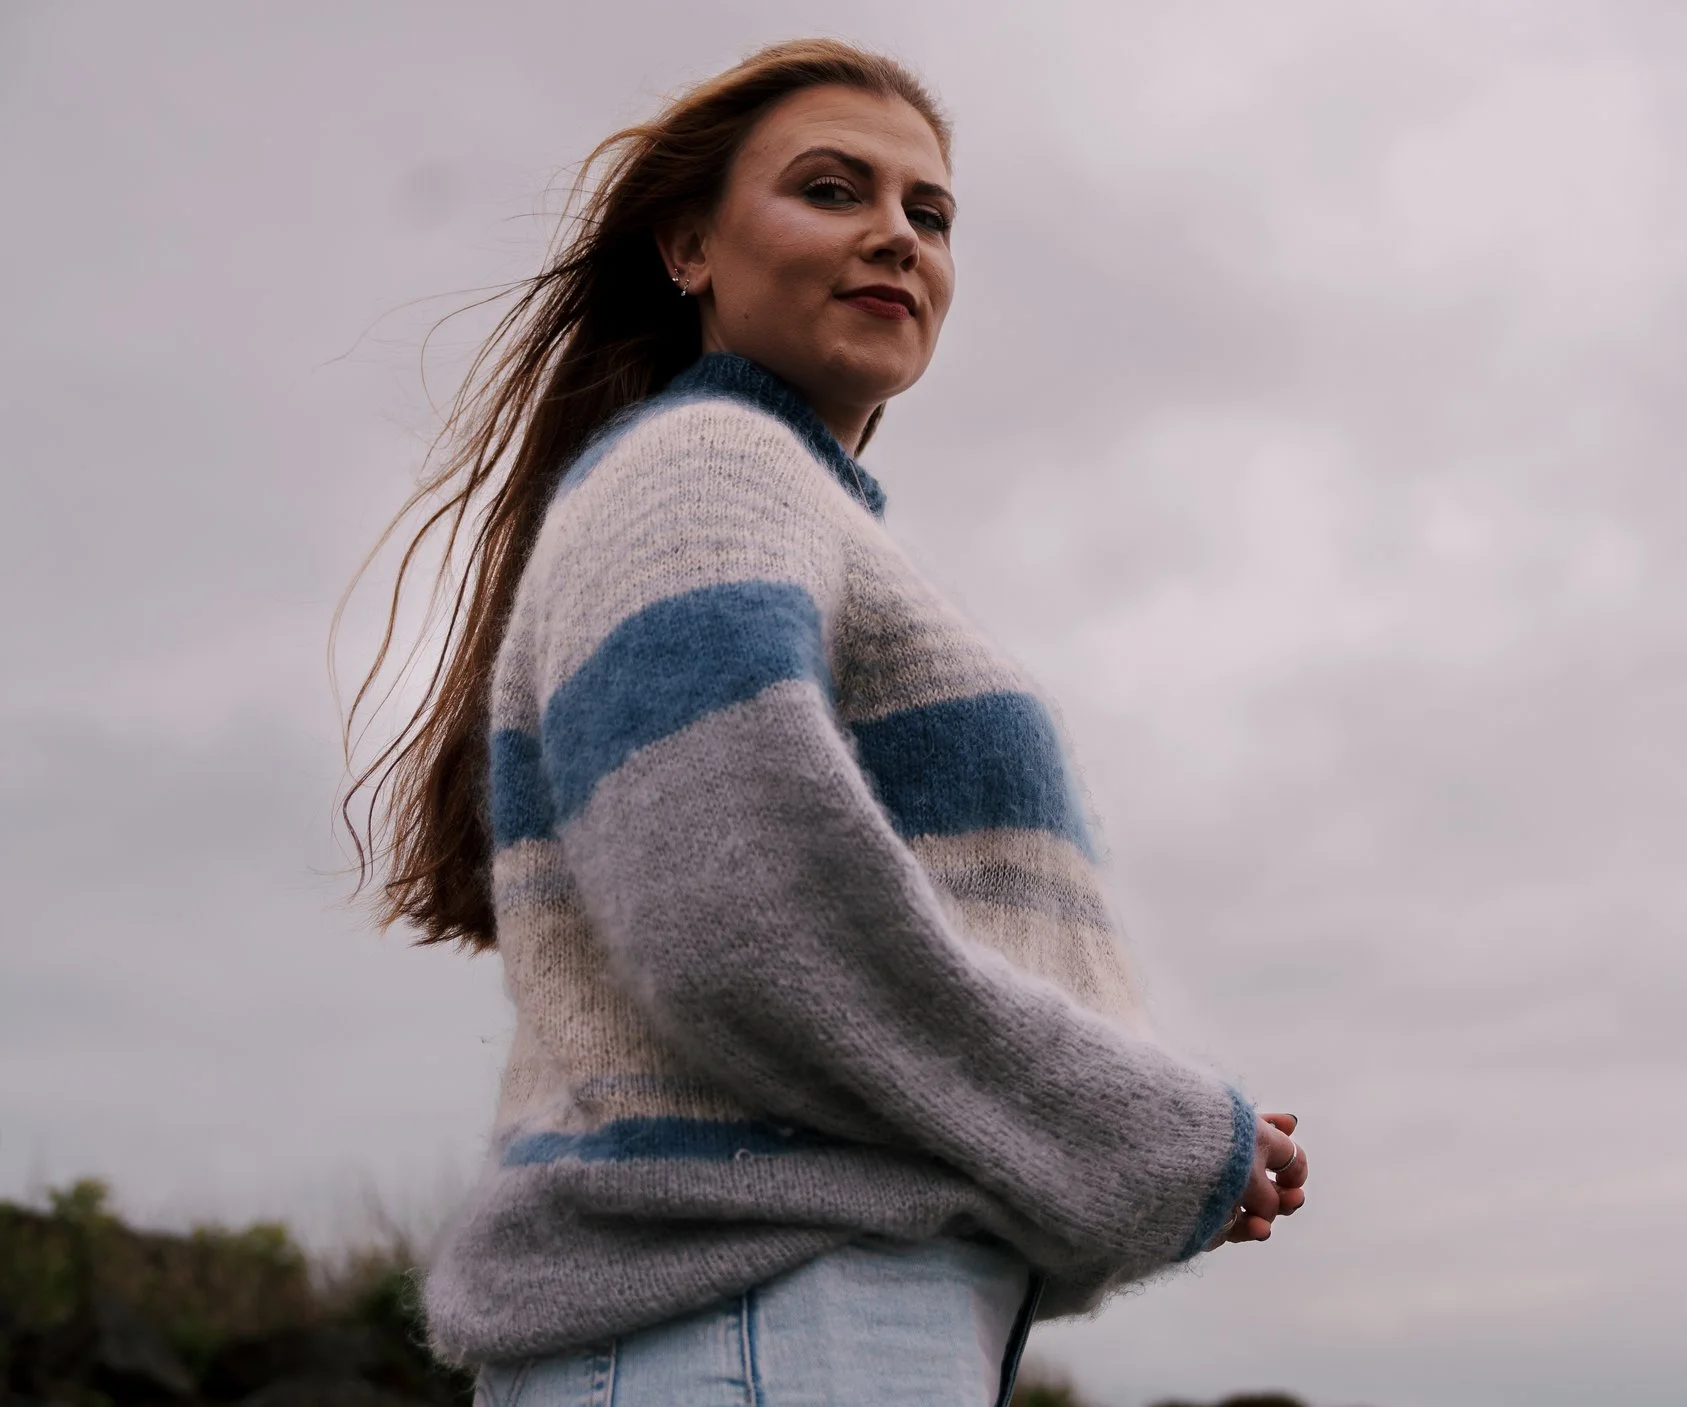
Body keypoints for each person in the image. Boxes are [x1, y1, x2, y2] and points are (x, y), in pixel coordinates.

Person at [343, 37, 1308, 1407]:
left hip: (776, 1325)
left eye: (931, 213)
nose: (894, 238)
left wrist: (1160, 1138)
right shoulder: (704, 467)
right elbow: (746, 916)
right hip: (765, 1322)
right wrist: (1138, 1129)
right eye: (831, 189)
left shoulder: (775, 508)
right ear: (689, 246)